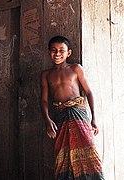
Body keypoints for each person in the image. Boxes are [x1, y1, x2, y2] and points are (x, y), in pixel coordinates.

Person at [41, 35, 104, 179]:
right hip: (60, 117)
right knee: (63, 156)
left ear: (68, 53)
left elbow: (88, 92)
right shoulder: (46, 75)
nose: (57, 54)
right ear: (49, 52)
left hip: (78, 115)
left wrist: (94, 118)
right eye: (53, 50)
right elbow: (44, 100)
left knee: (88, 150)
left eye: (61, 50)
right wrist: (47, 120)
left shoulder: (75, 68)